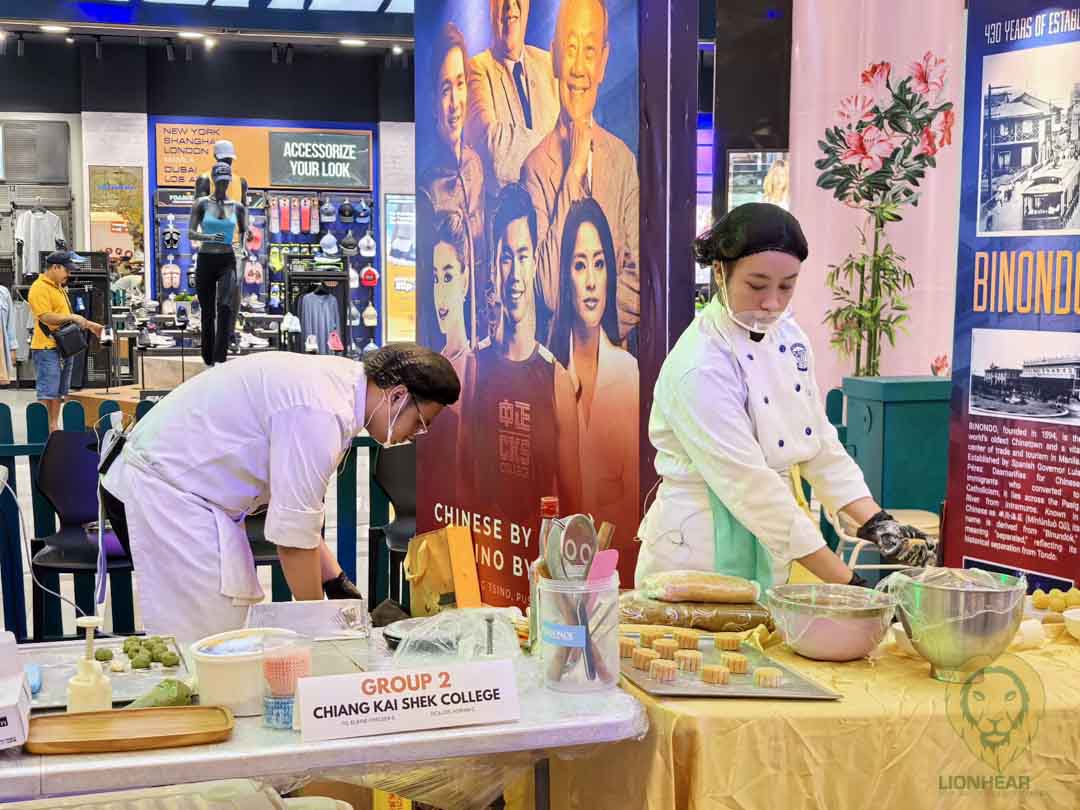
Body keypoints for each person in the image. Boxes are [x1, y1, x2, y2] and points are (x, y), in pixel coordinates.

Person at [637, 203, 934, 590]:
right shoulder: (699, 366)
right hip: (698, 549)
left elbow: (817, 440)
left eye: (786, 286)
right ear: (720, 272)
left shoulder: (789, 338)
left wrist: (876, 521)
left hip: (770, 538)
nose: (772, 303)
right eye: (756, 286)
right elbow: (751, 487)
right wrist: (850, 584)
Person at [100, 345, 460, 643]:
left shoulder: (338, 390)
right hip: (165, 493)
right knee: (204, 643)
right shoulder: (321, 411)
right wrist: (320, 627)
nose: (415, 435)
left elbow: (299, 514)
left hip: (184, 493)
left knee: (223, 632)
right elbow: (292, 541)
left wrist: (336, 584)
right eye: (420, 423)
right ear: (397, 395)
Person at [459, 183, 582, 528]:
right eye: (506, 258)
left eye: (523, 256)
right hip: (484, 550)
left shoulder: (556, 379)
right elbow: (463, 486)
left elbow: (573, 503)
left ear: (535, 262)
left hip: (538, 552)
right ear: (493, 267)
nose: (514, 274)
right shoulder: (474, 366)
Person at [521, 0, 639, 347]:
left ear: (603, 62)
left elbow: (637, 277)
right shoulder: (534, 169)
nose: (578, 69)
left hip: (616, 367)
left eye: (589, 51)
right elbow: (546, 291)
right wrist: (572, 176)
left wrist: (594, 337)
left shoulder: (622, 161)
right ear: (555, 58)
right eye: (570, 49)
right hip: (554, 366)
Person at [550, 198, 638, 556]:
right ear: (565, 276)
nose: (590, 282)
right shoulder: (548, 371)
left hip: (617, 560)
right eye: (579, 265)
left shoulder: (629, 373)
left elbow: (632, 495)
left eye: (599, 265)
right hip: (555, 557)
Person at [421, 23, 488, 341]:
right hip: (445, 338)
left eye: (460, 84)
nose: (454, 103)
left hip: (483, 336)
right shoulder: (427, 185)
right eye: (445, 88)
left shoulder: (477, 165)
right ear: (434, 100)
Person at [466, 0, 560, 195]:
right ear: (490, 7)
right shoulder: (476, 70)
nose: (510, 4)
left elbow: (578, 137)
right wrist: (557, 154)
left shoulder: (550, 66)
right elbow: (492, 149)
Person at [28, 251, 104, 431]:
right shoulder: (39, 288)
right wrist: (73, 317)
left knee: (59, 392)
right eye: (66, 270)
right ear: (55, 267)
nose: (69, 274)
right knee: (48, 392)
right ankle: (46, 429)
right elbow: (46, 316)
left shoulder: (58, 287)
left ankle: (54, 426)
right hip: (47, 347)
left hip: (62, 347)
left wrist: (90, 325)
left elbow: (64, 317)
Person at [190, 162, 248, 366]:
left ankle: (220, 356)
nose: (223, 184)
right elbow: (191, 233)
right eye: (220, 180)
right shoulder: (201, 204)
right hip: (206, 258)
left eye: (226, 181)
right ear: (214, 180)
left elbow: (243, 231)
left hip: (227, 259)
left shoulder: (237, 207)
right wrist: (210, 237)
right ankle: (207, 357)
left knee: (225, 306)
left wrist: (241, 249)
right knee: (207, 310)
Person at [194, 139, 249, 204]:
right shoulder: (241, 181)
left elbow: (199, 207)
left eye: (227, 158)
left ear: (215, 156)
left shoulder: (204, 178)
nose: (227, 160)